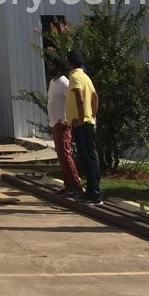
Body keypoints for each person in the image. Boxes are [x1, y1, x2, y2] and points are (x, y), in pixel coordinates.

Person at [66, 50, 101, 205]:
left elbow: (79, 98)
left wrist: (81, 119)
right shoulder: (86, 77)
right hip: (88, 122)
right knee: (89, 157)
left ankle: (94, 194)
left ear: (70, 63)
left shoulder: (75, 76)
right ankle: (91, 191)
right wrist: (92, 115)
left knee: (87, 158)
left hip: (82, 124)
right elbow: (95, 97)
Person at [47, 61, 81, 197]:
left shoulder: (64, 83)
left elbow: (73, 101)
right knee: (61, 157)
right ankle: (68, 186)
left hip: (62, 124)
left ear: (60, 69)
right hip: (55, 124)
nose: (50, 68)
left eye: (53, 66)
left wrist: (67, 119)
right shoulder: (52, 82)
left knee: (66, 156)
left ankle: (75, 186)